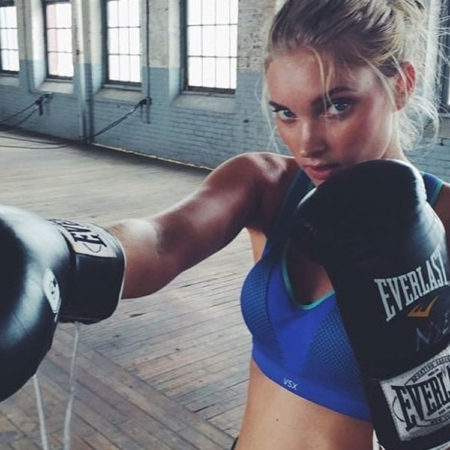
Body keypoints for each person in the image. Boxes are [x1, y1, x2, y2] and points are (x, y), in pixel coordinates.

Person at [1, 0, 449, 449]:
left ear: (402, 85)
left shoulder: (444, 217)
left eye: (337, 106)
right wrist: (58, 250)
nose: (307, 143)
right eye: (286, 113)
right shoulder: (266, 184)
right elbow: (162, 240)